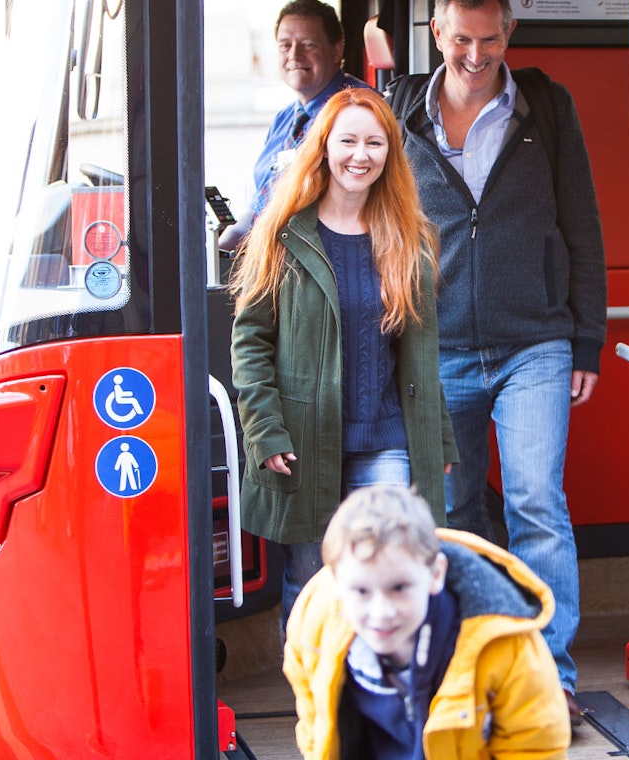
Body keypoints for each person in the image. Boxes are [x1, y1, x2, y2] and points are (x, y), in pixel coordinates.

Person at [385, 0, 608, 723]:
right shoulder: (402, 112)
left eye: (489, 40)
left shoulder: (544, 106)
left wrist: (588, 339)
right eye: (460, 41)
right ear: (436, 35)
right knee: (454, 511)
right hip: (437, 346)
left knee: (536, 502)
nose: (475, 57)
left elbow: (581, 222)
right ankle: (471, 664)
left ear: (508, 32)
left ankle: (551, 681)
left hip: (534, 345)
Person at [229, 88, 458, 632]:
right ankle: (317, 712)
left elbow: (420, 358)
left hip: (387, 442)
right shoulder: (283, 234)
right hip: (306, 441)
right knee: (315, 587)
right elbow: (250, 342)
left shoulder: (408, 239)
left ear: (390, 154)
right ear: (324, 147)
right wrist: (265, 430)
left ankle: (380, 705)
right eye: (348, 140)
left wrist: (438, 437)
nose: (361, 154)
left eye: (375, 142)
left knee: (386, 578)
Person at [283, 484, 571, 759]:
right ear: (337, 583)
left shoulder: (505, 645)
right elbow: (315, 725)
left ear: (435, 574)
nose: (381, 611)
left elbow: (535, 747)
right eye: (361, 592)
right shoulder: (312, 627)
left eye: (399, 588)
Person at [219, 0, 373, 250]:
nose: (294, 55)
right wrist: (220, 251)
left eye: (308, 45)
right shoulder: (284, 119)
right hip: (269, 255)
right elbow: (259, 206)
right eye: (285, 45)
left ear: (336, 50)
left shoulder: (360, 111)